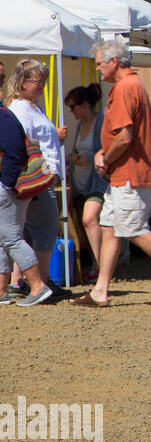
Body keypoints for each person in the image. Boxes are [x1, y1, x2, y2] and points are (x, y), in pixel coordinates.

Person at [71, 41, 151, 308]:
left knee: (133, 229)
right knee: (108, 226)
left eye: (99, 63)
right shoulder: (133, 85)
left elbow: (125, 135)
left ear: (114, 62)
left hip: (129, 174)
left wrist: (105, 156)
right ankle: (101, 290)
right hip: (124, 174)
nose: (98, 68)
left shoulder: (125, 88)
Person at [6, 60, 67, 298]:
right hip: (37, 176)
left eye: (43, 81)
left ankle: (21, 280)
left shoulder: (33, 107)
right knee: (47, 228)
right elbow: (25, 141)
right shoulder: (22, 109)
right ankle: (42, 280)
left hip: (42, 175)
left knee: (28, 231)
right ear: (22, 83)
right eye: (36, 81)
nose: (41, 85)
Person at [0, 99, 56, 306]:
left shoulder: (3, 116)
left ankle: (38, 286)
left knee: (11, 238)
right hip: (9, 186)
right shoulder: (5, 115)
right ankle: (2, 291)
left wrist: (5, 184)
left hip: (8, 187)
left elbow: (14, 151)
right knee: (3, 238)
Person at [65, 84, 108, 281]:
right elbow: (76, 150)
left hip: (97, 182)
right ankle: (95, 264)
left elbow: (105, 151)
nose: (71, 111)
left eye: (72, 107)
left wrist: (87, 158)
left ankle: (100, 267)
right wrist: (73, 158)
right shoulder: (81, 125)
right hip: (80, 182)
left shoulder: (101, 122)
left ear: (84, 105)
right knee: (87, 226)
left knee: (89, 220)